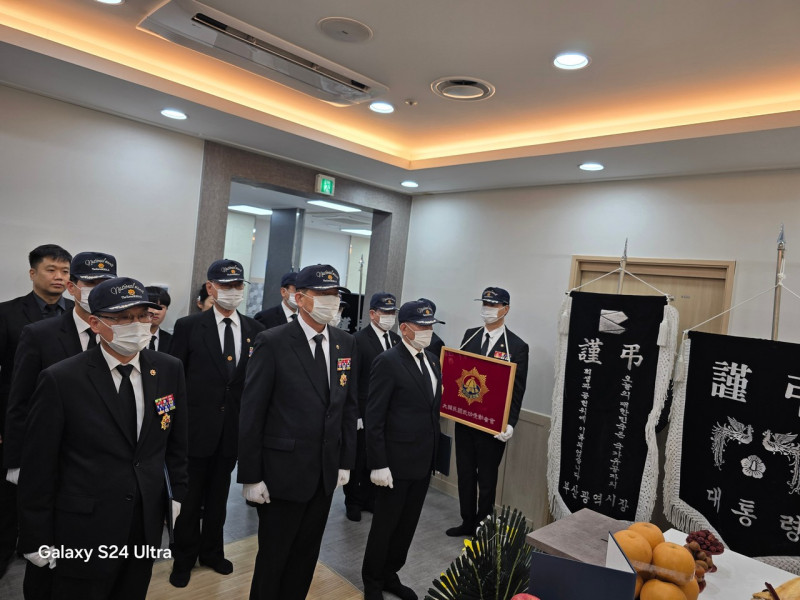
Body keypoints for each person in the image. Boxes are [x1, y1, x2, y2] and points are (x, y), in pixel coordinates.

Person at [17, 276, 188, 600]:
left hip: (143, 524)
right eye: (122, 318)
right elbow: (39, 466)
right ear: (96, 323)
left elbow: (176, 444)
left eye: (142, 316)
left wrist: (175, 495)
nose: (135, 325)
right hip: (82, 528)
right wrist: (36, 537)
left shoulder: (168, 369)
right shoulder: (61, 379)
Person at [238, 264, 358, 600]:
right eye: (322, 294)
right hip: (282, 473)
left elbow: (347, 406)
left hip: (324, 473)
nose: (331, 301)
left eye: (334, 294)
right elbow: (252, 413)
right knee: (274, 558)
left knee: (305, 558)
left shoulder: (344, 343)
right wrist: (251, 476)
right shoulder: (273, 341)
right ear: (300, 298)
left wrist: (345, 460)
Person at [168, 259, 264, 587]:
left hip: (231, 431)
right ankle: (183, 558)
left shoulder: (254, 330)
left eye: (238, 286)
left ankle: (212, 551)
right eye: (226, 286)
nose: (233, 291)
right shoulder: (189, 326)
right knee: (189, 500)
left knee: (218, 499)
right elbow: (174, 378)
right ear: (211, 288)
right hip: (194, 430)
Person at [4, 251, 117, 479]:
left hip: (106, 455)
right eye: (91, 283)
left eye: (105, 284)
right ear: (71, 287)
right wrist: (16, 461)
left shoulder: (121, 334)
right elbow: (21, 400)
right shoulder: (39, 334)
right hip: (52, 449)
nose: (97, 290)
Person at [362, 299, 443, 600]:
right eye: (422, 326)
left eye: (431, 325)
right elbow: (375, 417)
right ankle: (372, 580)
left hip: (422, 461)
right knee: (385, 526)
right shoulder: (388, 361)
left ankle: (390, 573)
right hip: (394, 464)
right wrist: (378, 463)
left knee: (407, 526)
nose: (428, 331)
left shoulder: (432, 360)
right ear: (405, 328)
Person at [0, 243, 72, 579]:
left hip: (67, 424)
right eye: (51, 269)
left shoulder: (79, 315)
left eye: (65, 271)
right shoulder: (8, 313)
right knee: (9, 499)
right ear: (33, 273)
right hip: (19, 421)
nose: (59, 277)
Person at [446, 287, 529, 537]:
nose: (487, 309)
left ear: (506, 309)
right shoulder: (470, 336)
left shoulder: (517, 346)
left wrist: (510, 423)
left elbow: (517, 390)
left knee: (487, 479)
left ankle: (483, 526)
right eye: (485, 304)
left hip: (493, 426)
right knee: (465, 474)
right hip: (466, 421)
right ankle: (467, 521)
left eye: (493, 305)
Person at [344, 292, 400, 522]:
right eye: (385, 312)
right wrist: (355, 413)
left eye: (392, 312)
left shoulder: (395, 340)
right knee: (358, 459)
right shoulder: (358, 339)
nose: (389, 316)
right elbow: (352, 380)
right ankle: (353, 501)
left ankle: (370, 498)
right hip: (363, 409)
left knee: (376, 456)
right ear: (372, 314)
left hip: (387, 412)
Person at [145, 286, 172, 353]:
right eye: (152, 306)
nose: (156, 312)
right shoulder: (130, 338)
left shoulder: (172, 341)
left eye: (161, 307)